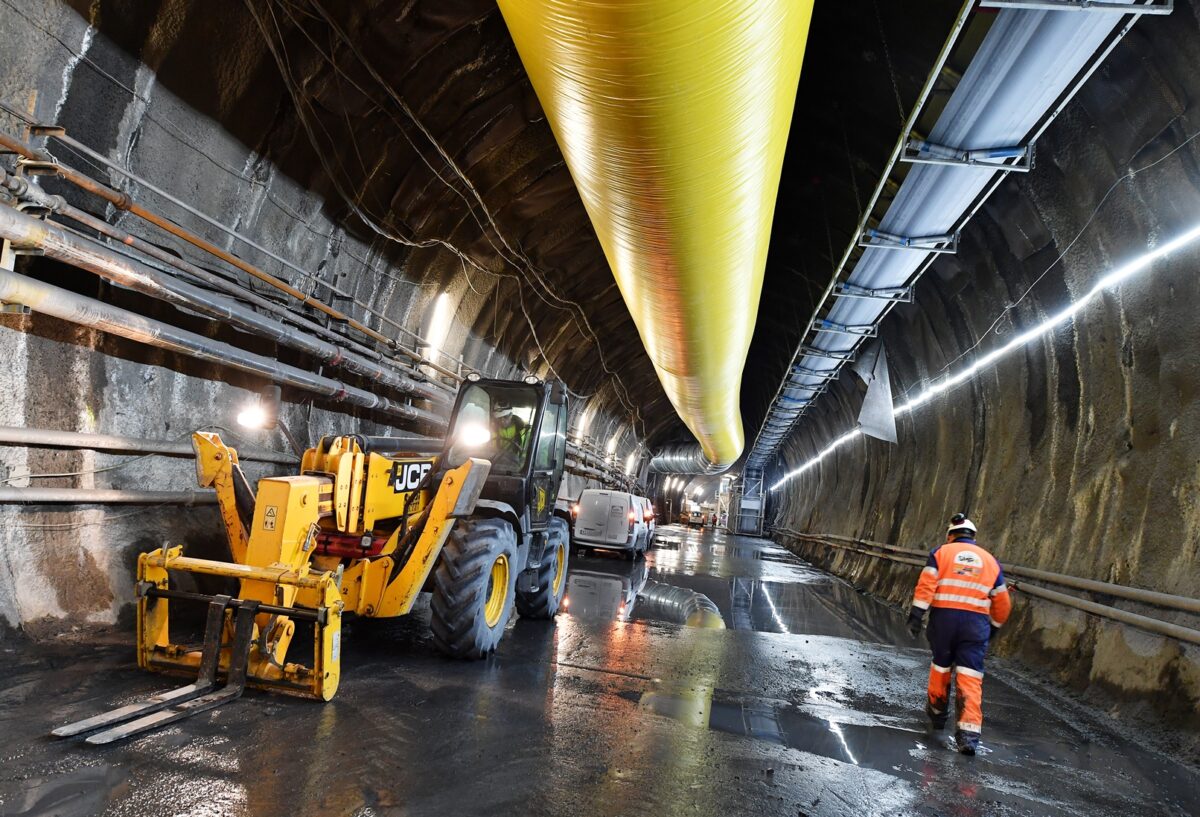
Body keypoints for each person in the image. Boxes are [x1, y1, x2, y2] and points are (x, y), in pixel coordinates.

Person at [906, 513, 1012, 755]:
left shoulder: (941, 553)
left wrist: (916, 615)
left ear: (951, 535)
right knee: (970, 676)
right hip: (975, 626)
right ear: (973, 536)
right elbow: (1003, 602)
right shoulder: (990, 561)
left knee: (941, 667)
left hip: (944, 621)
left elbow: (926, 586)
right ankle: (968, 735)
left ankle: (937, 715)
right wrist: (993, 627)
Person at [493, 400, 529, 469]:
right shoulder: (491, 431)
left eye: (505, 417)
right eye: (499, 418)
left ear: (511, 415)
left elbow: (527, 455)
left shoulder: (524, 431)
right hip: (495, 465)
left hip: (517, 468)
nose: (502, 420)